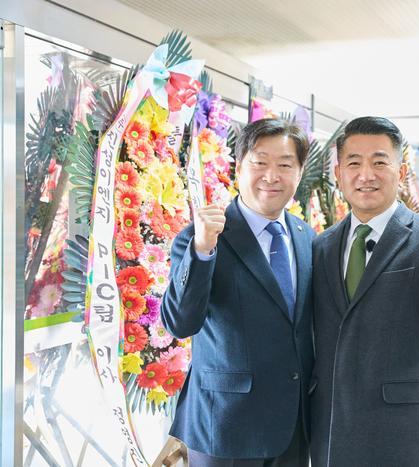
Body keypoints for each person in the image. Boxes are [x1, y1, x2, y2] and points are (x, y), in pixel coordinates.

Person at [309, 116, 419, 466]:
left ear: (401, 172)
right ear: (338, 173)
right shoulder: (321, 246)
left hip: (398, 427)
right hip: (331, 423)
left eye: (379, 162)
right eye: (354, 163)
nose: (366, 175)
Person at [161, 118, 315, 467]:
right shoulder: (202, 235)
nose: (271, 176)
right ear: (239, 168)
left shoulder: (306, 236)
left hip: (293, 427)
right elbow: (179, 323)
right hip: (225, 425)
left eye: (285, 165)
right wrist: (202, 250)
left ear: (299, 173)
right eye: (260, 162)